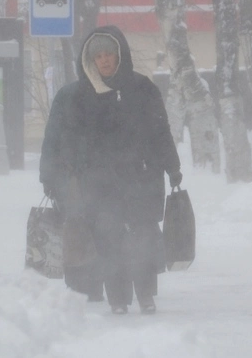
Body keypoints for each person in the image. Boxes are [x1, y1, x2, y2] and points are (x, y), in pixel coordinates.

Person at [40, 25, 183, 315]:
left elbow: (160, 131)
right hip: (97, 183)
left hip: (139, 177)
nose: (104, 60)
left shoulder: (142, 89)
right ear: (89, 60)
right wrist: (49, 177)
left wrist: (172, 166)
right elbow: (53, 139)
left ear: (120, 55)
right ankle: (117, 298)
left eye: (109, 54)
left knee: (142, 234)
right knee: (108, 237)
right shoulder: (72, 96)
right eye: (99, 56)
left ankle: (145, 295)